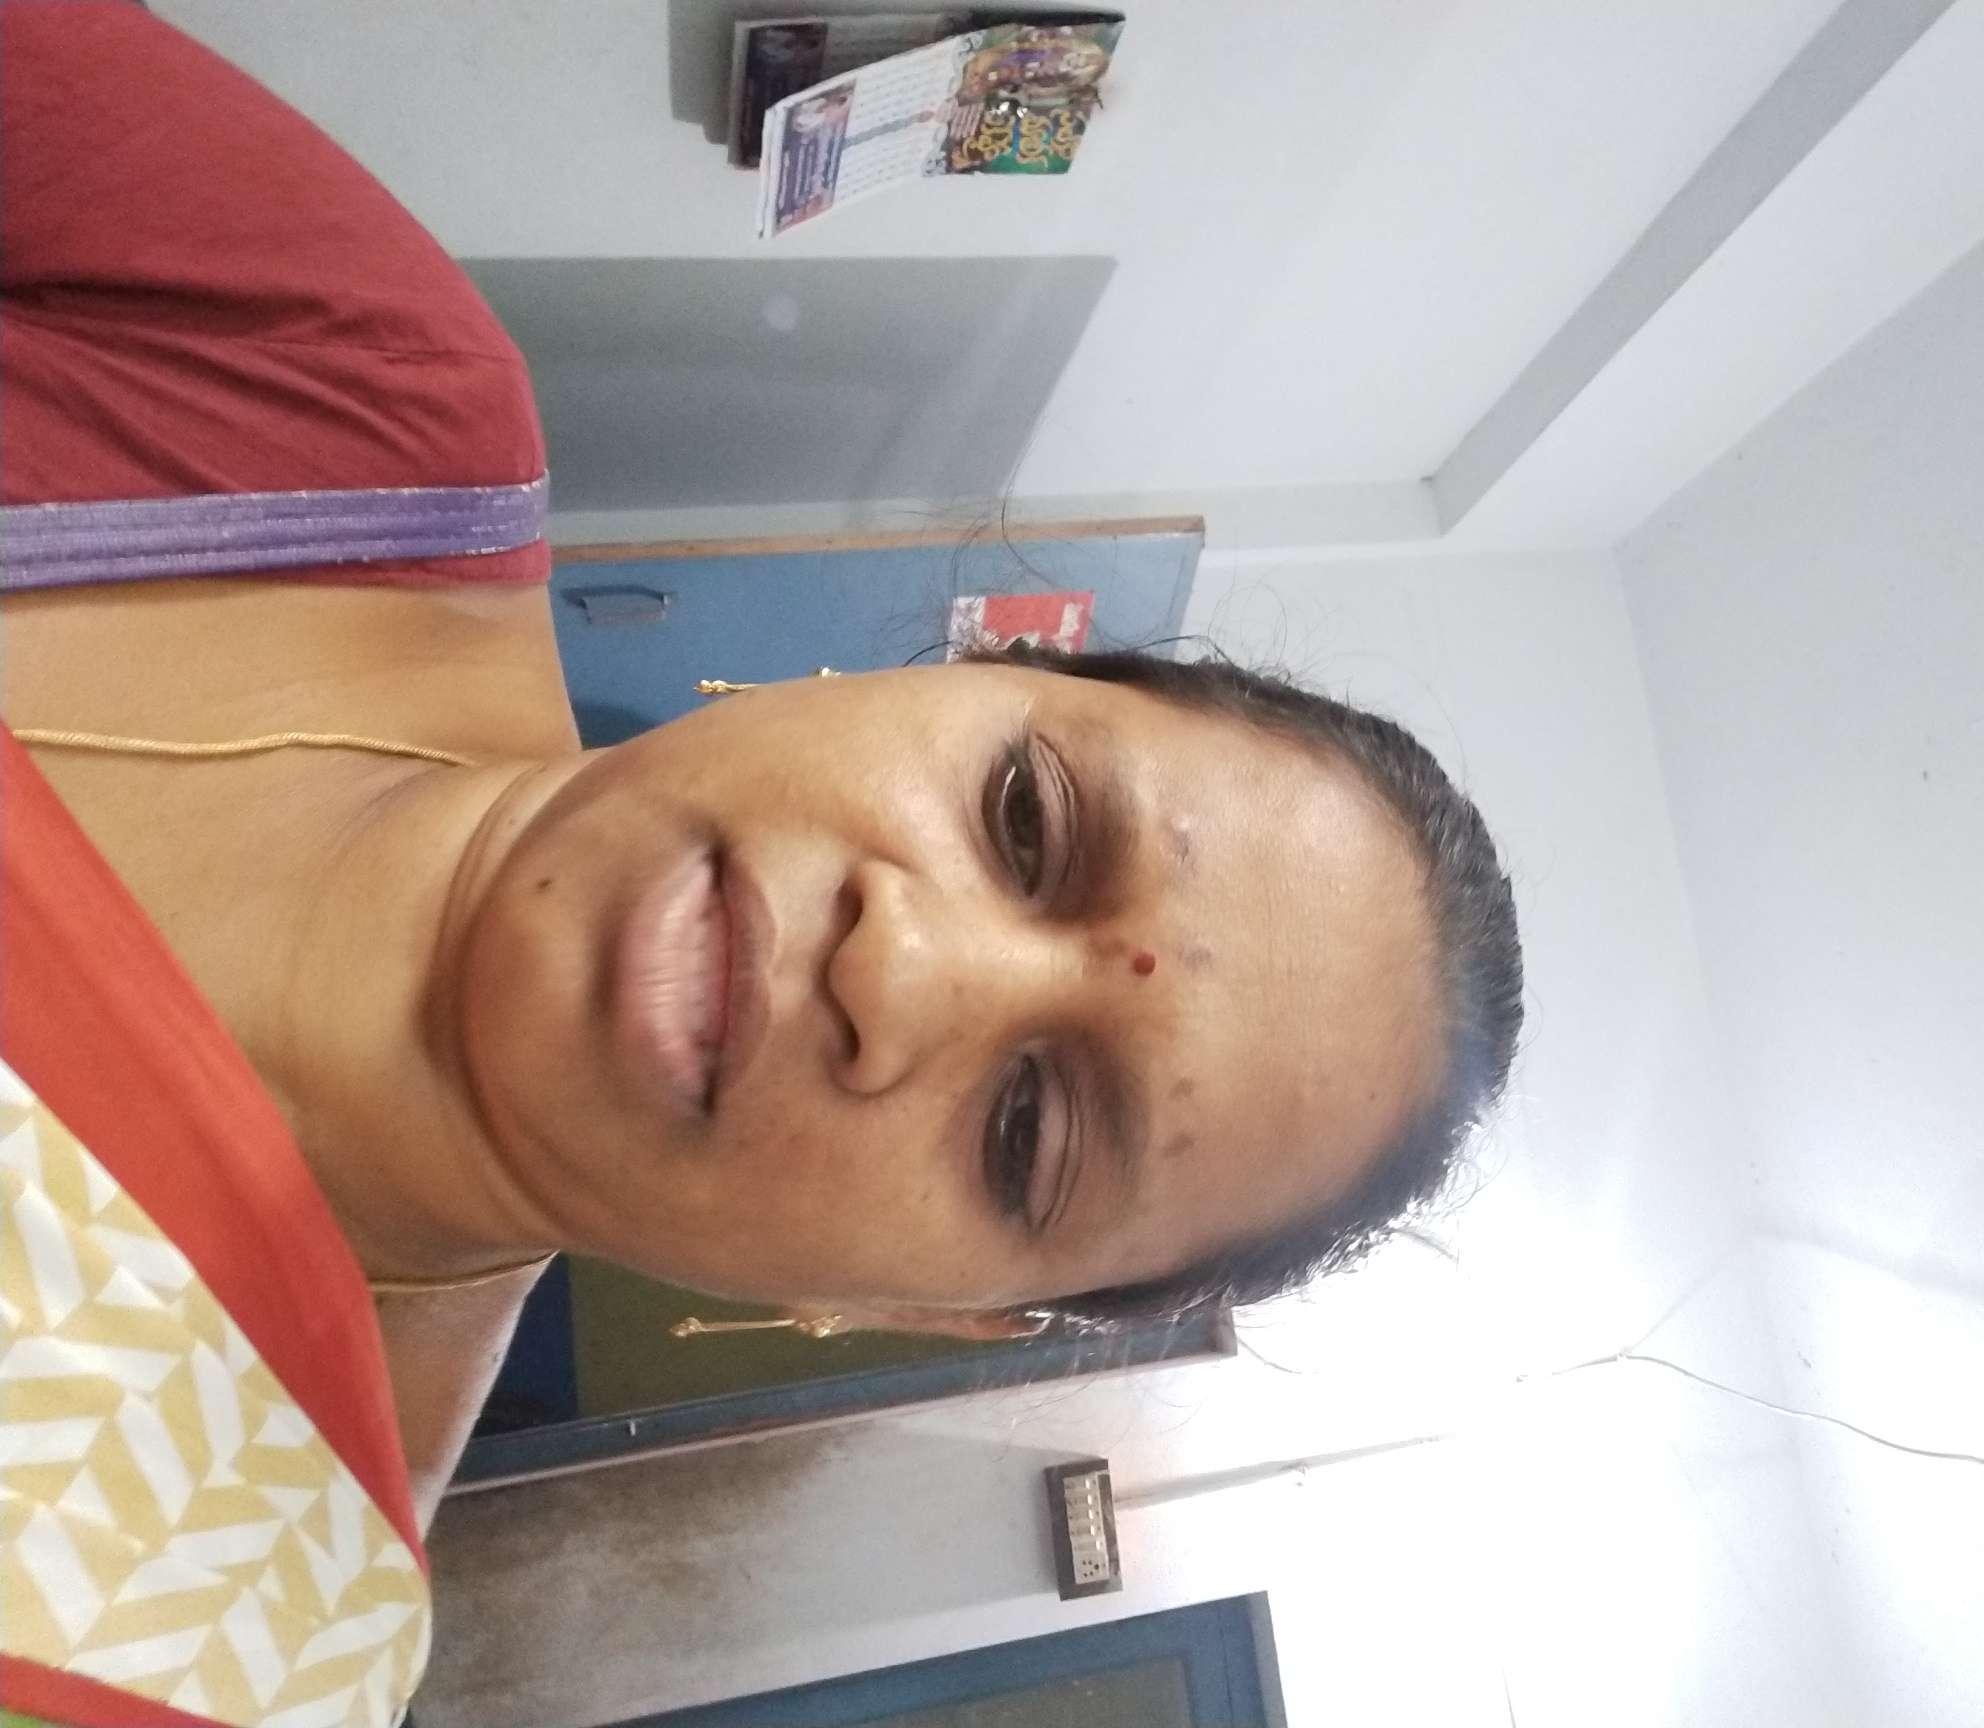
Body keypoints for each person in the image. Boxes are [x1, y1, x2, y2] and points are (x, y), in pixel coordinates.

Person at [0, 7, 1522, 1726]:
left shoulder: (215, 1633)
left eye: (1027, 1131)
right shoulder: (347, 389)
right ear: (944, 675)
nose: (899, 970)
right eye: (1026, 820)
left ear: (926, 1311)